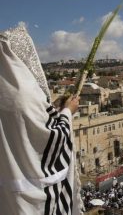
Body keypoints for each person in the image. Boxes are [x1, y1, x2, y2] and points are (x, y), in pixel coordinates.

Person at [0, 24, 82, 214]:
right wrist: (68, 112)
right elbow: (50, 137)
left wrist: (53, 109)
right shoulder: (25, 93)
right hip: (30, 193)